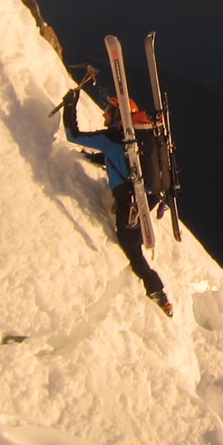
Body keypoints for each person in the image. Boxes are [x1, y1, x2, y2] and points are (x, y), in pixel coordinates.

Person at [61, 88, 172, 315]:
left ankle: (157, 291)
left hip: (129, 199)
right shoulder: (133, 140)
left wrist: (70, 106)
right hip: (148, 195)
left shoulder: (111, 137)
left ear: (117, 113)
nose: (104, 116)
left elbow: (73, 135)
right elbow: (116, 158)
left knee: (130, 246)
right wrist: (91, 158)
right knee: (135, 237)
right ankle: (141, 238)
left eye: (108, 112)